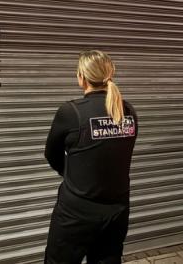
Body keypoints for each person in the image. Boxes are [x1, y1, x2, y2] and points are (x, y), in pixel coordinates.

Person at [44, 50, 138, 264]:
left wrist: (74, 176)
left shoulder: (71, 112)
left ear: (82, 77)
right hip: (117, 211)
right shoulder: (128, 111)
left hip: (76, 213)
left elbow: (51, 154)